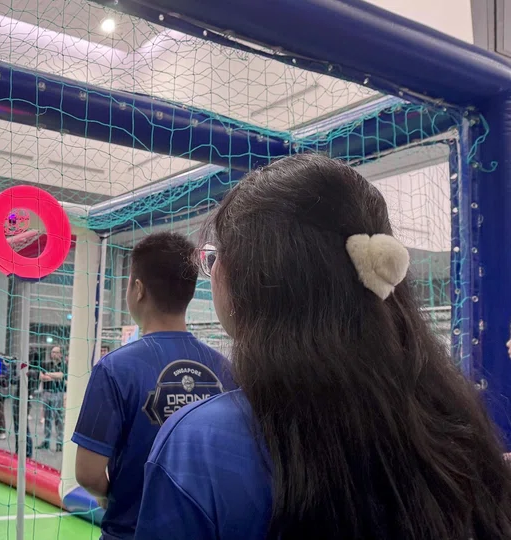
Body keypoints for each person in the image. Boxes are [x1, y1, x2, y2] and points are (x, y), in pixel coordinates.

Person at [135, 154, 511, 539]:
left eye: (213, 258)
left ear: (251, 276)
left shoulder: (198, 444)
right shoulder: (452, 420)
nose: (211, 272)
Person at [72, 232, 234, 539]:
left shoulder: (114, 368)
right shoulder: (226, 369)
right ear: (189, 291)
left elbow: (88, 473)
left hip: (132, 530)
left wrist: (113, 497)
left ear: (137, 289)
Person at [37, 346, 67, 452]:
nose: (53, 354)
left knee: (58, 419)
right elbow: (41, 377)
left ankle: (59, 443)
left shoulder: (64, 365)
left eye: (56, 352)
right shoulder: (45, 364)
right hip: (46, 393)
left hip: (58, 394)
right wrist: (54, 376)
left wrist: (48, 375)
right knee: (47, 419)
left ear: (61, 354)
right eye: (52, 352)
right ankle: (46, 441)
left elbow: (61, 375)